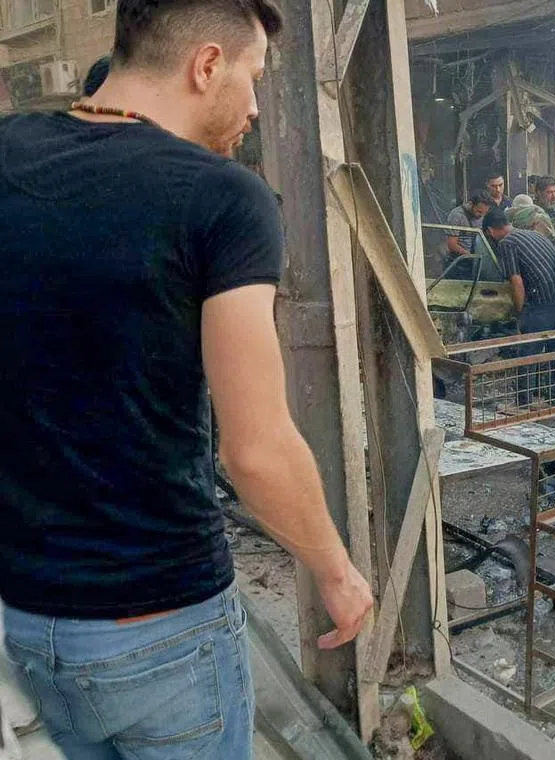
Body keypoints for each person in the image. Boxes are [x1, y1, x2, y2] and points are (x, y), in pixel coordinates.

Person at [0, 0, 373, 754]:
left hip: (30, 620)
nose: (258, 106)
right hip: (161, 624)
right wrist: (337, 571)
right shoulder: (221, 199)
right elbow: (256, 450)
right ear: (206, 66)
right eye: (254, 75)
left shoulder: (8, 150)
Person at [483, 209, 555, 408]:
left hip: (542, 302)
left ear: (490, 230)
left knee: (527, 353)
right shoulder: (534, 234)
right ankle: (554, 399)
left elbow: (516, 282)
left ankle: (523, 404)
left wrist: (519, 312)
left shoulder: (507, 243)